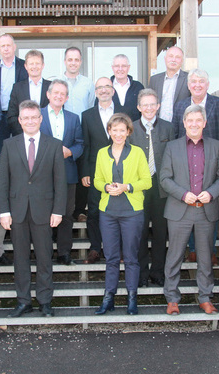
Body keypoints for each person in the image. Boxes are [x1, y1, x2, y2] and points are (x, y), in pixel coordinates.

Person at [0, 100, 67, 318]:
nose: (29, 121)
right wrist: (4, 212)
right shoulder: (9, 145)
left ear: (40, 119)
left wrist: (58, 211)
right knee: (20, 258)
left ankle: (45, 301)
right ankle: (23, 301)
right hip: (17, 212)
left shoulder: (54, 145)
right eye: (25, 117)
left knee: (45, 257)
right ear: (19, 120)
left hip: (44, 212)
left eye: (33, 117)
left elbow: (60, 182)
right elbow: (2, 181)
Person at [160, 104, 219, 316]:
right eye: (190, 121)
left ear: (205, 123)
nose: (194, 124)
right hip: (180, 209)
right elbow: (164, 178)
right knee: (175, 256)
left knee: (206, 257)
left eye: (198, 120)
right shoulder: (172, 147)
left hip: (205, 210)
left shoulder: (216, 146)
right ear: (184, 123)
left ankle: (205, 297)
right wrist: (182, 194)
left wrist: (211, 193)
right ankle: (172, 298)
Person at [172, 68, 219, 266]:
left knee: (209, 207)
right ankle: (192, 249)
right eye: (193, 82)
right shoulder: (180, 105)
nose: (197, 85)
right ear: (188, 85)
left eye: (201, 81)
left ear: (207, 84)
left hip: (212, 165)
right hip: (186, 164)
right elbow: (175, 134)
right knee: (190, 205)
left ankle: (210, 250)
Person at [93, 113, 152, 315]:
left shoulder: (137, 153)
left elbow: (147, 181)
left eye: (122, 130)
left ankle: (132, 299)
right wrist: (106, 187)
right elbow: (97, 180)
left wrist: (127, 186)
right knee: (110, 257)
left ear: (128, 132)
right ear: (109, 131)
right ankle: (108, 298)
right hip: (108, 212)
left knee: (131, 258)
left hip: (132, 212)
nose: (118, 134)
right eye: (114, 130)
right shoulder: (102, 153)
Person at [128, 88, 175, 287]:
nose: (148, 108)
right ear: (139, 107)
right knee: (138, 231)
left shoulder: (168, 128)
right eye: (144, 105)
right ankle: (141, 274)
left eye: (152, 104)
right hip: (139, 188)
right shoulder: (131, 128)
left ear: (158, 106)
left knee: (160, 231)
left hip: (162, 188)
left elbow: (175, 157)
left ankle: (158, 272)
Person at [39, 80, 84, 265]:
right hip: (42, 174)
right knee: (43, 214)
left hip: (67, 172)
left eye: (62, 94)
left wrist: (71, 151)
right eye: (55, 92)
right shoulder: (37, 115)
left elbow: (80, 143)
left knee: (66, 214)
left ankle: (64, 253)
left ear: (66, 98)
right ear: (48, 95)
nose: (58, 96)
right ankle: (45, 253)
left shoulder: (74, 118)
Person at [80, 77, 124, 264]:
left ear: (113, 90)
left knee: (119, 210)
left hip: (120, 169)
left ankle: (116, 249)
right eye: (100, 87)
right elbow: (86, 145)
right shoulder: (87, 115)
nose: (104, 90)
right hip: (95, 171)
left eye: (107, 86)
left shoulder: (123, 113)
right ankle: (95, 248)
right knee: (94, 211)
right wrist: (85, 172)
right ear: (95, 92)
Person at [58, 46, 95, 222]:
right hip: (63, 134)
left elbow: (90, 107)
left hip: (82, 132)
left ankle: (79, 210)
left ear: (80, 62)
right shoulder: (57, 82)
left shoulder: (88, 83)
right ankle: (63, 209)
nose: (73, 63)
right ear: (65, 61)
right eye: (70, 59)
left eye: (76, 59)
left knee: (82, 171)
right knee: (63, 174)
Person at [0, 34, 29, 154]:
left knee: (21, 149)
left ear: (14, 47)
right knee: (0, 150)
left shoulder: (24, 66)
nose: (6, 48)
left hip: (18, 115)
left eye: (8, 45)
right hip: (0, 115)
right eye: (3, 46)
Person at [7, 50, 52, 136]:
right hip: (23, 137)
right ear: (26, 66)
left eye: (37, 63)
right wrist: (26, 132)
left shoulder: (51, 87)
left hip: (47, 138)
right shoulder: (17, 88)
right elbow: (11, 116)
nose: (34, 66)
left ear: (43, 65)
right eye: (31, 64)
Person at [148, 46, 190, 122]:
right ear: (165, 59)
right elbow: (148, 102)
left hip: (181, 126)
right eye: (170, 56)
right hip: (158, 126)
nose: (173, 60)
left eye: (177, 57)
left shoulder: (189, 79)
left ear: (182, 61)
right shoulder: (154, 80)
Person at [110, 54, 144, 122]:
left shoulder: (138, 87)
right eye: (117, 66)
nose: (120, 69)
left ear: (128, 67)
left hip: (134, 131)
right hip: (112, 131)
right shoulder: (106, 88)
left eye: (123, 66)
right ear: (112, 68)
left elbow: (144, 111)